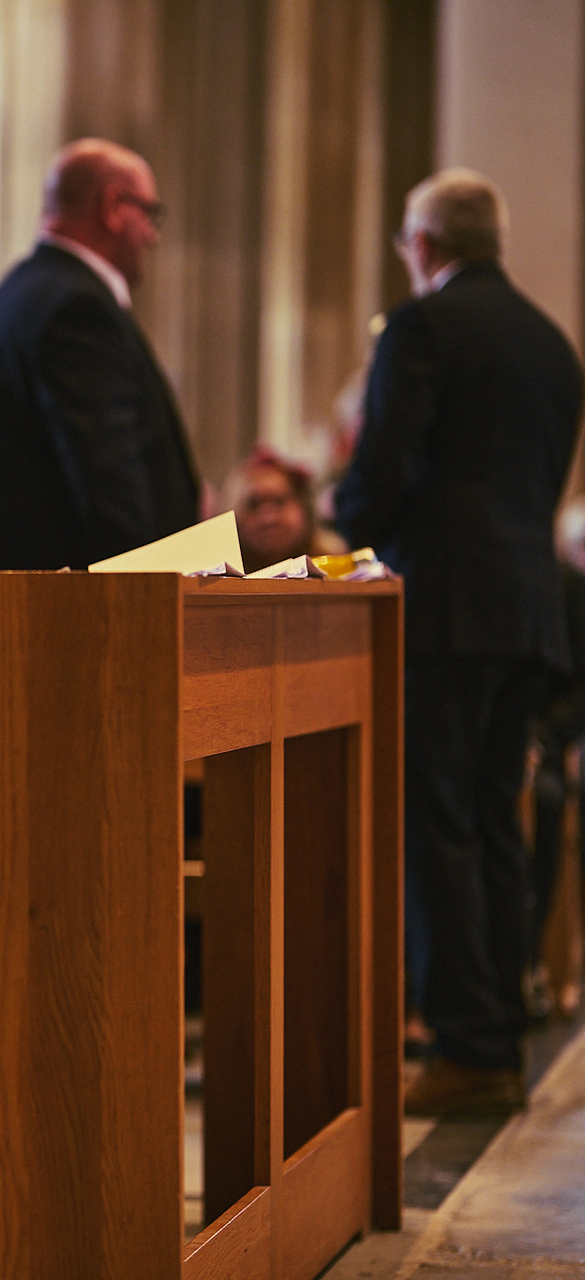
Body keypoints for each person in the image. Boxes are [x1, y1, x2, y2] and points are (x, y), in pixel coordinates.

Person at [335, 168, 584, 1116]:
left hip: (443, 607)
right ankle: (498, 1030)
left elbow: (383, 469)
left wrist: (348, 512)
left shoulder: (422, 327)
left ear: (425, 246)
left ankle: (465, 1045)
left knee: (435, 820)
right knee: (491, 819)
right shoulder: (552, 344)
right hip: (526, 609)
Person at [0, 137, 200, 571]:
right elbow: (110, 484)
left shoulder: (9, 300)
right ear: (113, 207)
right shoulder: (76, 310)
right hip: (58, 602)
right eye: (148, 214)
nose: (152, 237)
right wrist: (153, 587)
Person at [226, 444, 326, 571]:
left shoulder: (336, 568)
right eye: (254, 504)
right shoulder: (216, 575)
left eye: (279, 501)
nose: (268, 518)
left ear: (304, 507)